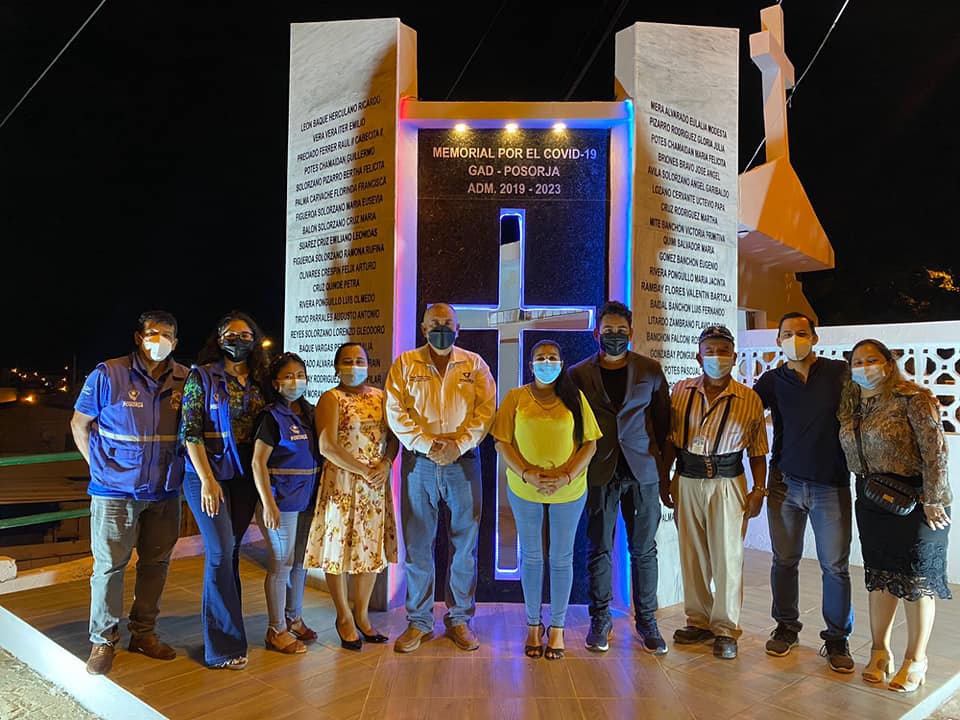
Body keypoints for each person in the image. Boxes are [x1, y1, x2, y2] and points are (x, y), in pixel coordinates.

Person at [71, 310, 188, 676]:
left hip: (164, 492)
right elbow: (79, 424)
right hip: (114, 493)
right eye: (153, 333)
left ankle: (144, 633)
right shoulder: (109, 374)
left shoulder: (185, 379)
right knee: (109, 567)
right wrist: (99, 468)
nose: (159, 340)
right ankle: (103, 640)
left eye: (167, 334)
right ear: (139, 337)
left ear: (175, 342)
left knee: (156, 565)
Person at [837, 338, 951, 691]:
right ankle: (879, 651)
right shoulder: (852, 405)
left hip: (916, 500)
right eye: (857, 361)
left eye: (872, 360)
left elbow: (936, 451)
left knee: (917, 581)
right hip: (872, 499)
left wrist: (933, 499)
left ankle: (916, 660)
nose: (864, 367)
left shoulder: (913, 398)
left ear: (888, 363)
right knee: (881, 577)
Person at [385, 302, 496, 653]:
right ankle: (419, 621)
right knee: (418, 545)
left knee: (464, 545)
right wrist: (428, 445)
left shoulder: (474, 364)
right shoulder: (405, 364)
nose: (442, 328)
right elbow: (395, 411)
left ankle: (459, 618)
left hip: (464, 462)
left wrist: (457, 446)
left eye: (448, 323)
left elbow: (486, 411)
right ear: (423, 328)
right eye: (435, 323)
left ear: (458, 328)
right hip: (419, 463)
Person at [753, 312, 855, 673]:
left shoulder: (839, 373)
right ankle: (785, 627)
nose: (794, 339)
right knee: (784, 560)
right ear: (777, 340)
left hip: (831, 483)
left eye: (800, 333)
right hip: (785, 483)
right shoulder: (772, 381)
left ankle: (837, 639)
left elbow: (872, 399)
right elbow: (745, 414)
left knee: (835, 567)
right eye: (787, 334)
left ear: (814, 337)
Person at [569, 300, 672, 654]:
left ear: (631, 333)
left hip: (643, 473)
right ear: (596, 333)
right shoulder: (578, 374)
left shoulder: (650, 370)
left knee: (644, 550)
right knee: (598, 548)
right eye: (608, 330)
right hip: (599, 472)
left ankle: (647, 621)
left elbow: (663, 424)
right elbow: (573, 425)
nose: (614, 336)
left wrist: (664, 474)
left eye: (621, 331)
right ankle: (600, 619)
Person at [660, 325, 769, 659]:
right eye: (710, 351)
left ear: (734, 358)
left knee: (727, 556)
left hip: (728, 482)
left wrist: (759, 490)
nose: (717, 357)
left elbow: (758, 451)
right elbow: (670, 440)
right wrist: (664, 479)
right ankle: (698, 620)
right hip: (687, 478)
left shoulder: (749, 398)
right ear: (698, 357)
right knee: (692, 554)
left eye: (723, 351)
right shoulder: (681, 391)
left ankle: (725, 628)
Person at [491, 340, 601, 660]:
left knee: (561, 558)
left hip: (569, 489)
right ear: (531, 365)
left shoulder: (575, 397)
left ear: (561, 363)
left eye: (553, 357)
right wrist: (527, 473)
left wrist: (566, 476)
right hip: (525, 487)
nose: (547, 362)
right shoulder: (515, 398)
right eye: (541, 358)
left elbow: (590, 444)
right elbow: (501, 441)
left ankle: (557, 629)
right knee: (532, 557)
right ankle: (532, 626)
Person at [179, 310, 271, 670]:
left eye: (246, 335)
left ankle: (229, 632)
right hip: (207, 475)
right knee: (219, 552)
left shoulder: (261, 380)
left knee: (230, 552)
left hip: (244, 477)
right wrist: (206, 479)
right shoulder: (201, 377)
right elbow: (191, 432)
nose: (239, 340)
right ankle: (222, 646)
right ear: (218, 340)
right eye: (231, 335)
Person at [304, 342, 398, 651]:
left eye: (359, 360)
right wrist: (362, 469)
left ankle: (362, 614)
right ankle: (344, 616)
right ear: (336, 367)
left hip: (374, 485)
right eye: (347, 360)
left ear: (368, 365)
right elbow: (326, 445)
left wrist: (385, 464)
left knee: (369, 551)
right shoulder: (331, 398)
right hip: (342, 483)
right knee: (338, 549)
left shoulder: (381, 397)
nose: (354, 365)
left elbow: (393, 438)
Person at [250, 352, 322, 655]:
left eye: (300, 375)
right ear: (276, 383)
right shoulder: (271, 417)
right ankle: (276, 629)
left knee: (300, 563)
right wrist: (268, 503)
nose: (296, 381)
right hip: (281, 502)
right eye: (289, 376)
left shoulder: (310, 413)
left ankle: (294, 619)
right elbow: (258, 462)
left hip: (307, 500)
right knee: (281, 563)